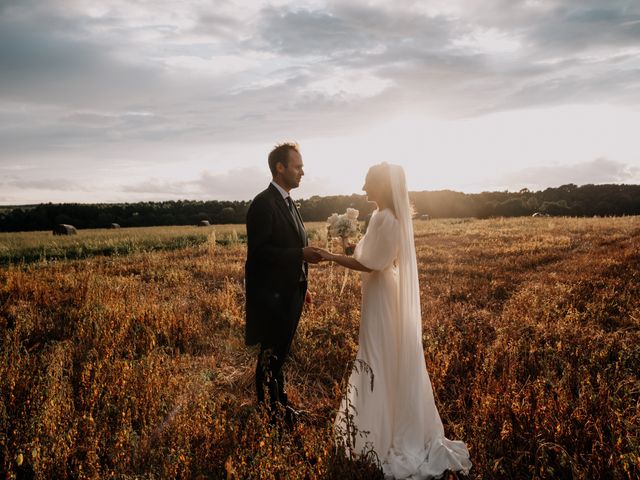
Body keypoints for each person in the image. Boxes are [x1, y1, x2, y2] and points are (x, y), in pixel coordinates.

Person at [314, 163, 472, 479]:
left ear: (383, 187)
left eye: (369, 182)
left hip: (382, 294)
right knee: (382, 354)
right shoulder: (388, 218)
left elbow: (369, 264)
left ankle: (377, 435)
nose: (363, 188)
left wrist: (329, 256)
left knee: (376, 356)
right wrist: (347, 246)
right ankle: (379, 425)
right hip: (384, 291)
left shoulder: (385, 218)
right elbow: (373, 257)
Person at [244, 142, 322, 428]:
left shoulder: (289, 201)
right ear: (280, 167)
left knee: (281, 355)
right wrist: (301, 255)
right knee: (269, 356)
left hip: (291, 292)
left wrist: (304, 285)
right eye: (297, 166)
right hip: (271, 297)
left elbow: (291, 244)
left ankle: (281, 404)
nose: (302, 172)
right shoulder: (263, 204)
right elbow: (260, 254)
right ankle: (269, 414)